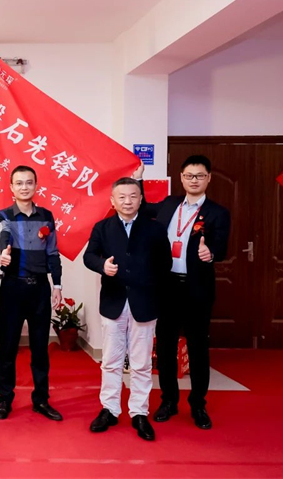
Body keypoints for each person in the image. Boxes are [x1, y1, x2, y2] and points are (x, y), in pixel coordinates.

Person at [135, 156, 231, 430]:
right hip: (166, 287)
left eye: (199, 176)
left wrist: (210, 253)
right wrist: (138, 179)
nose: (194, 180)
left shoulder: (218, 213)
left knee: (198, 347)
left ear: (208, 178)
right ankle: (169, 401)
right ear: (181, 177)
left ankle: (198, 404)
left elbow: (222, 248)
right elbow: (142, 208)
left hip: (196, 288)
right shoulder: (169, 205)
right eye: (189, 175)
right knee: (165, 347)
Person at [83, 177, 172, 441]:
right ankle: (109, 409)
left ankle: (139, 412)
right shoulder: (102, 228)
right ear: (112, 201)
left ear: (141, 199)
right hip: (114, 301)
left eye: (133, 196)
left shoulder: (155, 229)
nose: (127, 201)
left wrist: (147, 279)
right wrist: (102, 266)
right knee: (111, 360)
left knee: (142, 363)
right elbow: (89, 256)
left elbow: (165, 263)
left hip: (144, 302)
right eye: (121, 197)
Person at [0, 165, 63, 421]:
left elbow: (52, 252)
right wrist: (4, 252)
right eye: (19, 183)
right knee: (8, 347)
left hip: (40, 289)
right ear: (11, 187)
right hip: (13, 288)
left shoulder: (46, 216)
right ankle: (5, 400)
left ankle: (41, 400)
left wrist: (57, 285)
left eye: (29, 182)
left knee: (40, 348)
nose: (24, 187)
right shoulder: (3, 215)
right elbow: (4, 234)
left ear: (36, 186)